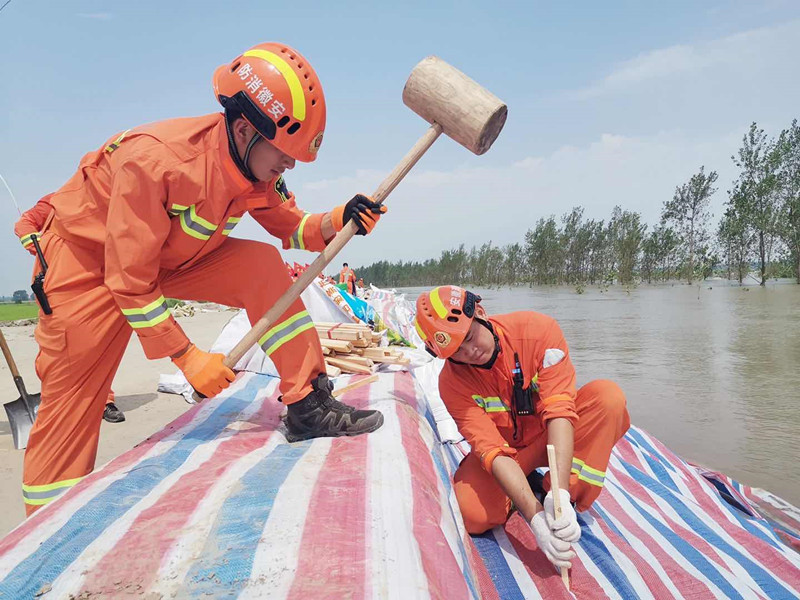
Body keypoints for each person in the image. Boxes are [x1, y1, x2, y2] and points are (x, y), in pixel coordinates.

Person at [21, 42, 387, 515]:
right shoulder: (155, 162)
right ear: (243, 129)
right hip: (85, 268)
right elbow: (129, 280)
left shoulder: (253, 170)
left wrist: (343, 219)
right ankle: (45, 538)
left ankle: (307, 405)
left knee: (262, 268)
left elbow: (293, 227)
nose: (290, 165)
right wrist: (188, 357)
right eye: (284, 153)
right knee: (72, 410)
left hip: (168, 261)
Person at [414, 286, 630, 571]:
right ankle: (524, 491)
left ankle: (565, 501)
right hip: (509, 455)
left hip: (550, 435)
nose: (470, 352)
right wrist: (536, 517)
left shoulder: (538, 332)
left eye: (469, 337)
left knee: (608, 399)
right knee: (471, 513)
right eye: (456, 352)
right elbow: (492, 451)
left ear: (480, 313)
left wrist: (560, 493)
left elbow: (560, 412)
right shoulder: (452, 383)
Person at [14, 194, 126, 424]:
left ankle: (104, 401)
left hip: (93, 288)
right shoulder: (57, 200)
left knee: (97, 347)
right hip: (55, 289)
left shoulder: (110, 202)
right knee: (55, 349)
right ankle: (56, 400)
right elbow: (24, 224)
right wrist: (43, 249)